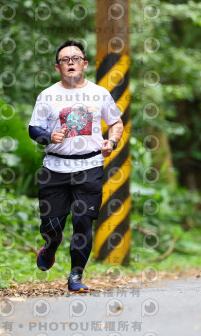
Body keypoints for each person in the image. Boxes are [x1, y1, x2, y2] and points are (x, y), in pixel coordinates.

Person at [28, 40, 123, 293]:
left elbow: (116, 123)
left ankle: (76, 276)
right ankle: (51, 245)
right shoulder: (47, 95)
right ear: (57, 67)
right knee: (51, 226)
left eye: (75, 58)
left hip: (89, 167)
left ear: (85, 64)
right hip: (55, 168)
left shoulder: (99, 93)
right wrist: (49, 137)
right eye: (65, 60)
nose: (70, 62)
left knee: (83, 222)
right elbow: (33, 129)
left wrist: (111, 142)